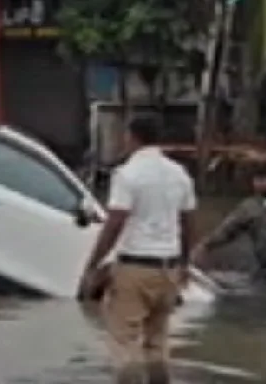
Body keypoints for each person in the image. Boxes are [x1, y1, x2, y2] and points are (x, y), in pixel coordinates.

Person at [79, 115, 198, 384]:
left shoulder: (127, 174)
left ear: (131, 137)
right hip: (168, 269)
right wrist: (185, 264)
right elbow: (188, 223)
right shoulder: (180, 174)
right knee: (157, 342)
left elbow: (115, 223)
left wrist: (93, 264)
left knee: (125, 342)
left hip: (135, 268)